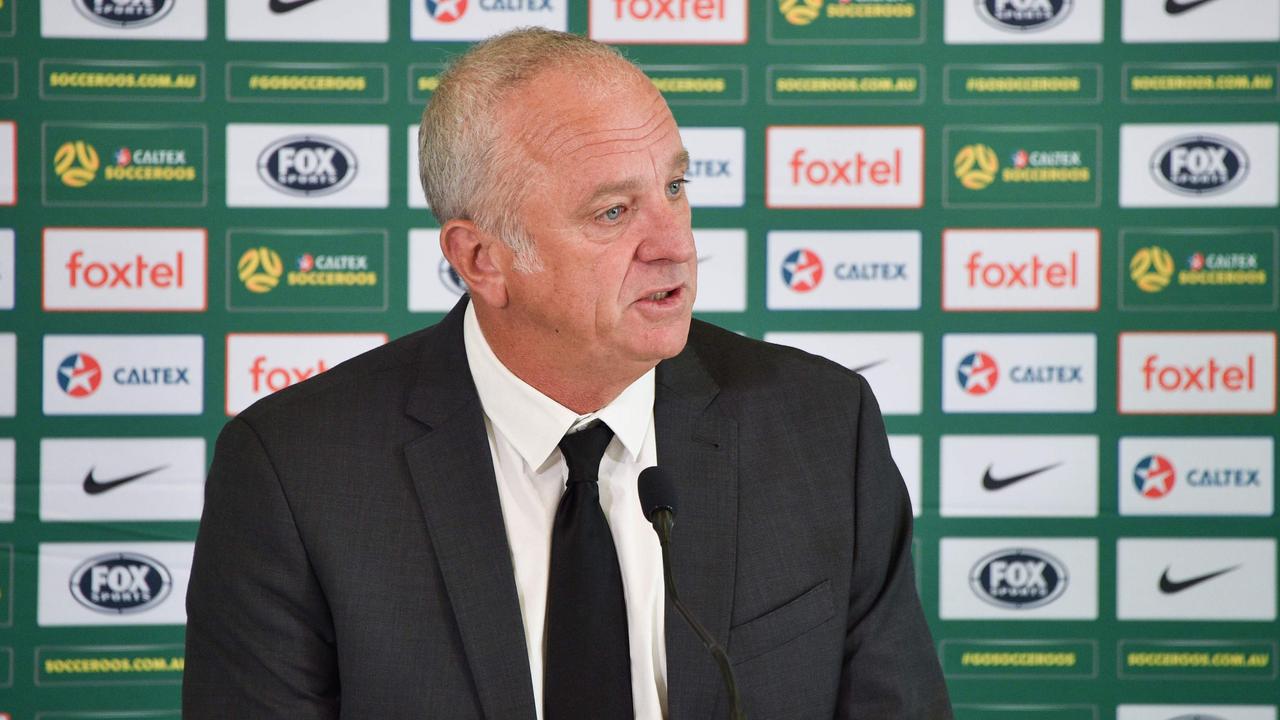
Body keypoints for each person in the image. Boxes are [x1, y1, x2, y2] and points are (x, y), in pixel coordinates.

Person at [183, 28, 952, 719]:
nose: (674, 246)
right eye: (613, 213)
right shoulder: (296, 473)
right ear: (482, 259)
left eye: (675, 188)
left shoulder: (820, 425)